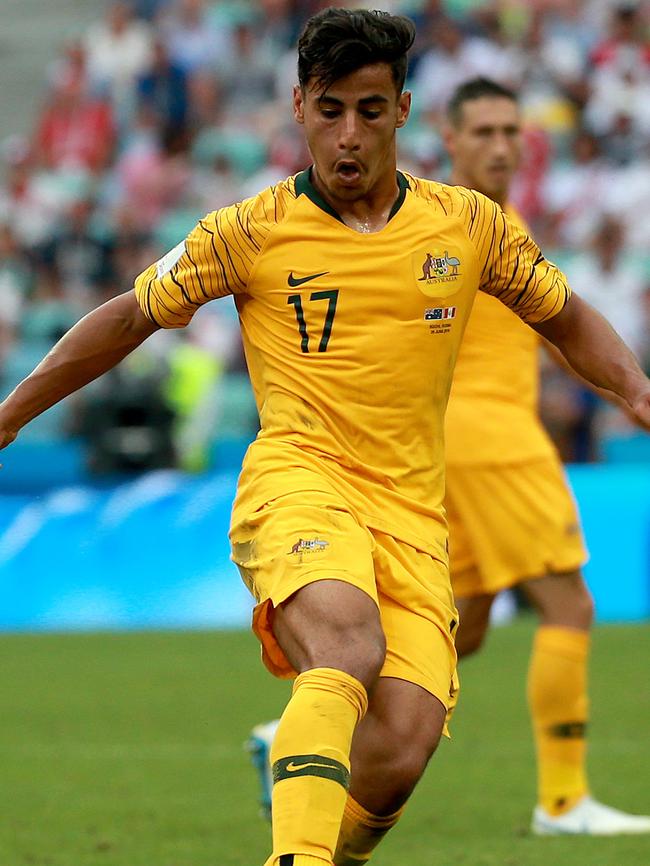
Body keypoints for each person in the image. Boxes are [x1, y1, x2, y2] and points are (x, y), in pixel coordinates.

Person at [1, 10, 650, 866]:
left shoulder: (467, 227)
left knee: (400, 748)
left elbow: (564, 317)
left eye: (371, 112)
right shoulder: (250, 230)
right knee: (347, 644)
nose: (350, 136)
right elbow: (127, 318)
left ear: (404, 111)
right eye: (331, 110)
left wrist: (637, 389)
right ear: (299, 106)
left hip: (413, 513)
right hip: (299, 481)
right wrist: (10, 416)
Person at [442, 77, 650, 836]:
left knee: (460, 631)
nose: (500, 146)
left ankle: (307, 739)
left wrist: (612, 386)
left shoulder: (502, 225)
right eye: (484, 131)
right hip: (495, 441)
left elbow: (554, 331)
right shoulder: (451, 223)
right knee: (569, 604)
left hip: (453, 449)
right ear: (449, 139)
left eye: (510, 131)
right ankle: (563, 801)